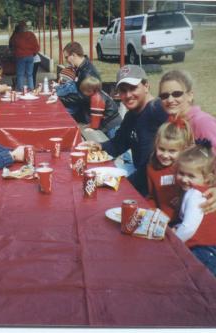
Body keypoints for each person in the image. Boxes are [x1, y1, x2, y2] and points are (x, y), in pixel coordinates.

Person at [158, 69, 216, 229]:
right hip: (182, 209)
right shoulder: (172, 122)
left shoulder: (204, 123)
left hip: (206, 211)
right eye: (164, 96)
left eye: (177, 93)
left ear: (190, 95)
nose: (170, 99)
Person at [85, 65, 168, 196]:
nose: (128, 95)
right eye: (123, 90)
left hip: (157, 188)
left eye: (133, 88)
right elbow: (118, 144)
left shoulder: (158, 110)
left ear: (146, 86)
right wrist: (99, 146)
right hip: (141, 177)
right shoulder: (131, 115)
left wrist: (126, 186)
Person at [173, 140, 216, 275]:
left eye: (191, 176)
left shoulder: (196, 195)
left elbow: (189, 227)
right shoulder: (195, 191)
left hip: (209, 251)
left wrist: (172, 243)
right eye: (181, 173)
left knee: (186, 276)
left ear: (207, 178)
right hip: (208, 248)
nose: (184, 179)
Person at [147, 116, 194, 221]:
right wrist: (151, 209)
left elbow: (199, 191)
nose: (165, 155)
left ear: (183, 150)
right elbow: (152, 196)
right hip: (162, 221)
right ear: (156, 145)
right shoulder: (152, 168)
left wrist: (183, 197)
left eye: (172, 151)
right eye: (161, 149)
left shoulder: (188, 169)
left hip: (185, 222)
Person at [59, 42, 101, 123]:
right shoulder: (81, 68)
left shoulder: (87, 72)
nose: (66, 61)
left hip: (88, 115)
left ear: (74, 55)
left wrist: (61, 99)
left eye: (66, 57)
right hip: (84, 109)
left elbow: (83, 97)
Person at [10, 21, 39, 91]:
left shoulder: (16, 36)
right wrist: (33, 53)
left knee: (20, 74)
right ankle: (31, 89)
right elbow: (36, 46)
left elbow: (12, 46)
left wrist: (14, 54)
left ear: (19, 27)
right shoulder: (31, 34)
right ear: (26, 27)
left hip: (20, 56)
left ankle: (20, 90)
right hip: (30, 56)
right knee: (30, 74)